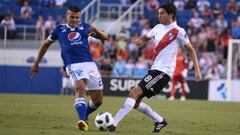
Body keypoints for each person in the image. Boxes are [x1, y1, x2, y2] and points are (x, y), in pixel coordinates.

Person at [107, 3, 201, 133]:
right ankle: (160, 121)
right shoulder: (157, 27)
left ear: (171, 15)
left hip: (163, 72)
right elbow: (145, 38)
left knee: (133, 93)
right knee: (136, 101)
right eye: (158, 13)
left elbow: (191, 50)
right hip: (154, 70)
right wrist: (140, 40)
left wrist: (197, 69)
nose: (159, 15)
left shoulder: (179, 31)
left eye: (162, 13)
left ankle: (113, 123)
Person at [30, 6, 108, 131]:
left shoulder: (85, 27)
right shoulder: (59, 29)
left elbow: (105, 37)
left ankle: (85, 115)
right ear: (67, 16)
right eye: (72, 17)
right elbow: (45, 44)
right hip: (73, 64)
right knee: (80, 89)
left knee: (98, 100)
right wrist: (36, 63)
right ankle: (82, 121)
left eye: (77, 17)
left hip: (90, 64)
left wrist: (97, 31)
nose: (75, 20)